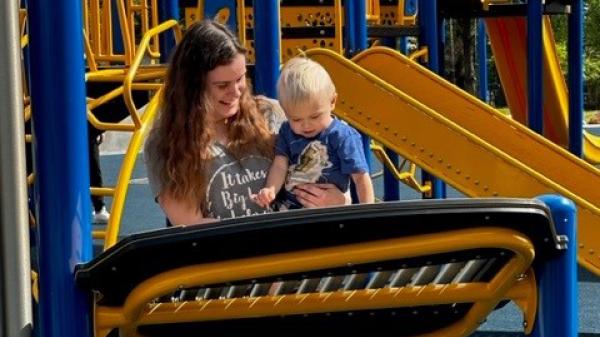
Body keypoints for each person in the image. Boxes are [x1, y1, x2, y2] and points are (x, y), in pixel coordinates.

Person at [144, 20, 348, 226]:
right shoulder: (167, 144)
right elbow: (190, 225)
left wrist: (340, 200)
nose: (235, 92)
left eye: (240, 79)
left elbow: (336, 178)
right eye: (222, 85)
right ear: (192, 88)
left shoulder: (272, 114)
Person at [253, 57, 374, 209]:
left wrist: (367, 212)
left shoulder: (342, 136)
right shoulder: (287, 131)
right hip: (290, 210)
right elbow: (280, 165)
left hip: (327, 213)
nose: (306, 125)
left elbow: (361, 178)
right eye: (296, 119)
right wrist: (271, 189)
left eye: (315, 116)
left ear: (332, 102)